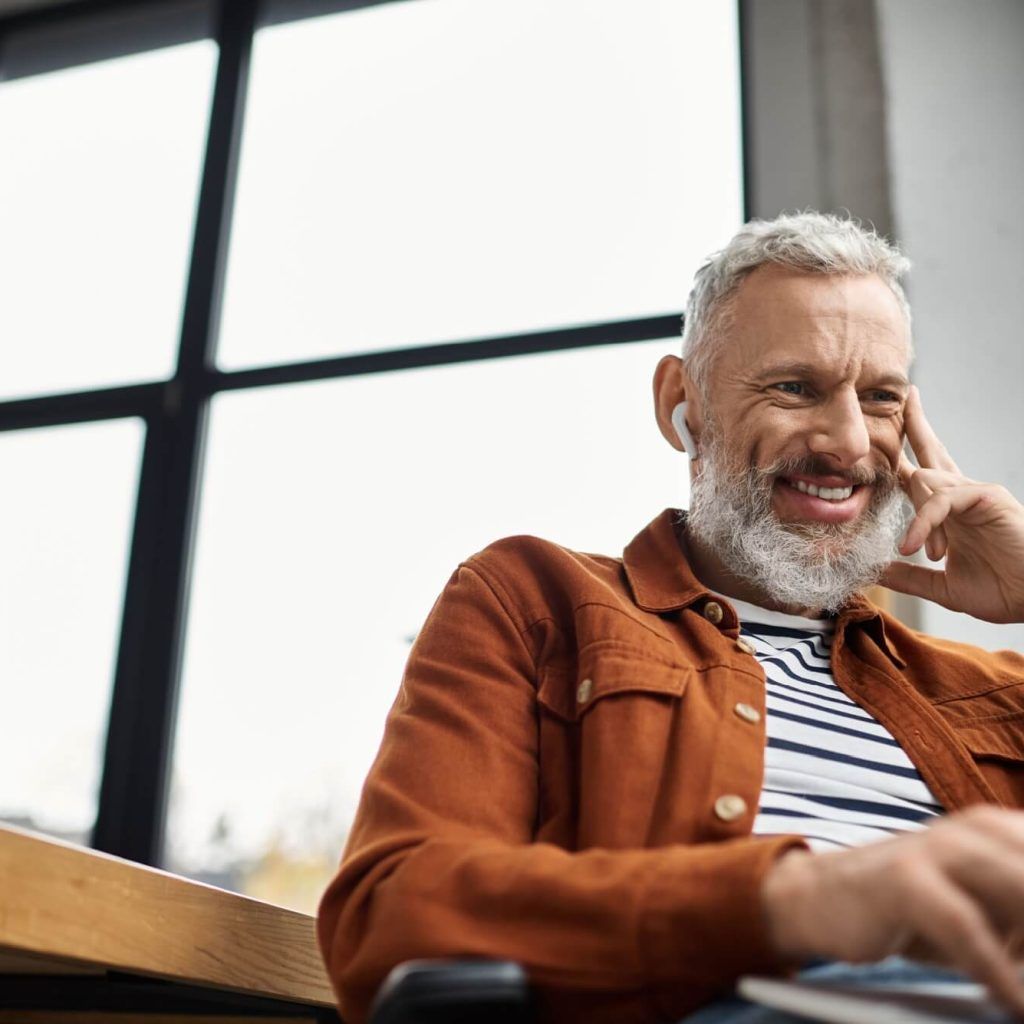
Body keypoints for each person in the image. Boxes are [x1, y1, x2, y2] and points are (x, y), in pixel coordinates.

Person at [316, 212, 1024, 1024]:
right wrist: (794, 899)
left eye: (881, 397)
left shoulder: (994, 690)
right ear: (680, 403)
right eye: (795, 388)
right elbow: (392, 917)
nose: (847, 440)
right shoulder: (534, 600)